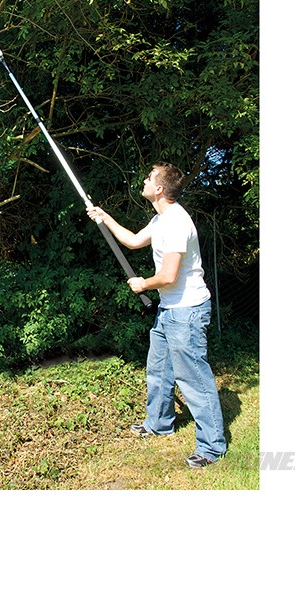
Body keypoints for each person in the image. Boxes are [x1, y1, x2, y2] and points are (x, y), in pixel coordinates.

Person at [86, 162, 226, 468]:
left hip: (186, 310)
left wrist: (143, 284)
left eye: (149, 178)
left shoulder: (177, 222)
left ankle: (212, 447)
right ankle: (159, 423)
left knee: (193, 378)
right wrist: (104, 217)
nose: (145, 181)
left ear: (159, 188)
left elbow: (169, 276)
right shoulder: (160, 219)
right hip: (169, 310)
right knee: (159, 369)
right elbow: (134, 241)